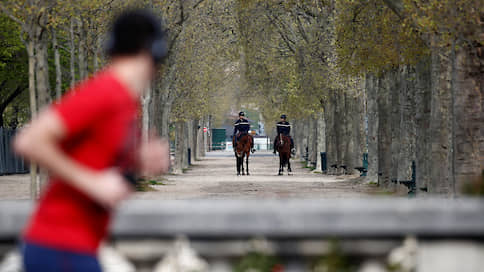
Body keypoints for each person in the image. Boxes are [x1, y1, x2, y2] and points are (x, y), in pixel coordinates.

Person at [14, 10, 170, 272]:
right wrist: (92, 183)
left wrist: (138, 160)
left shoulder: (126, 102)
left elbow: (97, 158)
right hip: (60, 245)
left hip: (76, 246)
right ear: (152, 52)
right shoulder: (105, 92)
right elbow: (28, 140)